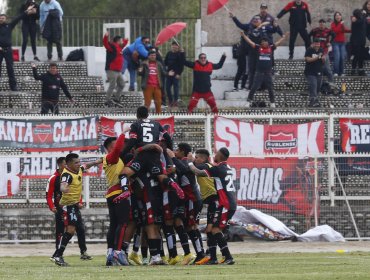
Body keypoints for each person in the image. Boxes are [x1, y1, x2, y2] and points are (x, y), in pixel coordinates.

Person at [116, 106, 184, 265]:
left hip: (143, 173)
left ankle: (125, 189)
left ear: (137, 115)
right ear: (148, 114)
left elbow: (132, 141)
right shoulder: (157, 124)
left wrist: (126, 152)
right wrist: (168, 151)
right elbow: (168, 139)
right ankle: (172, 183)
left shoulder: (136, 126)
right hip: (155, 177)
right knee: (160, 177)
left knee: (124, 174)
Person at [187, 148, 236, 265]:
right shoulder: (227, 168)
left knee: (215, 229)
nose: (215, 155)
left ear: (220, 156)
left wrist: (189, 162)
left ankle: (227, 256)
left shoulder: (218, 169)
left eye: (216, 154)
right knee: (213, 229)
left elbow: (198, 172)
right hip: (226, 202)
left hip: (225, 203)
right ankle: (214, 258)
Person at [46, 157, 92, 262]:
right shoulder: (54, 178)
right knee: (62, 231)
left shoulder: (74, 173)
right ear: (61, 165)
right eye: (64, 165)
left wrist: (79, 201)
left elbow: (76, 189)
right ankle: (57, 254)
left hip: (73, 205)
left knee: (80, 228)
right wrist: (52, 206)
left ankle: (82, 252)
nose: (65, 167)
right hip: (61, 208)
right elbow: (49, 195)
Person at [167, 144, 205, 264]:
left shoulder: (185, 162)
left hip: (192, 199)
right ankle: (200, 253)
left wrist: (173, 158)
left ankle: (200, 254)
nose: (175, 152)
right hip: (192, 199)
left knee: (191, 227)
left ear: (182, 152)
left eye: (177, 150)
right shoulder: (182, 162)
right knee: (191, 227)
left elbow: (184, 169)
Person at [230, 13, 277, 90]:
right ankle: (251, 87)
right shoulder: (249, 27)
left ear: (260, 21)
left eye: (257, 19)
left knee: (261, 71)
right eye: (254, 19)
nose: (255, 20)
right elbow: (239, 25)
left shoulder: (264, 27)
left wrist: (275, 25)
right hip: (251, 53)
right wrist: (234, 17)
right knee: (251, 71)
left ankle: (262, 87)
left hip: (261, 53)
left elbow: (273, 30)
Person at [241, 32, 288, 108]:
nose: (264, 43)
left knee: (270, 88)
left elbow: (278, 43)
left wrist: (284, 37)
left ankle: (272, 103)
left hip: (268, 73)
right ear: (261, 43)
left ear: (267, 42)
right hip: (259, 72)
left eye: (265, 41)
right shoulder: (258, 48)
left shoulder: (271, 48)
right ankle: (248, 101)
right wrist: (243, 36)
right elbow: (250, 42)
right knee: (254, 87)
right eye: (263, 42)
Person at [0, 8, 33, 91]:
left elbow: (18, 18)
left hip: (8, 49)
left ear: (5, 19)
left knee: (10, 68)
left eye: (3, 18)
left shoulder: (9, 25)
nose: (1, 19)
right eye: (0, 18)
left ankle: (13, 87)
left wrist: (26, 11)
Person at [103, 31, 128, 107]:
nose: (122, 42)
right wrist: (106, 36)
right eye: (121, 40)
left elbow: (123, 45)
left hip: (118, 70)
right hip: (111, 69)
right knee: (112, 85)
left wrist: (126, 41)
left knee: (122, 84)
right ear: (117, 41)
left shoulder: (120, 47)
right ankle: (107, 100)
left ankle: (116, 99)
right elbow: (105, 44)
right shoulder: (112, 46)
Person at [309, 19, 335, 84]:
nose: (321, 25)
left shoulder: (328, 30)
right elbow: (308, 36)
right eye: (320, 24)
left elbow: (334, 35)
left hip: (325, 52)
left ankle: (331, 84)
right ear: (319, 24)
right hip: (316, 53)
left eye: (323, 24)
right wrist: (310, 43)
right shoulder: (315, 30)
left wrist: (330, 42)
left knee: (327, 69)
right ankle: (317, 85)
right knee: (317, 69)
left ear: (325, 24)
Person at [304, 38, 325, 107]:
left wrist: (323, 59)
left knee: (318, 87)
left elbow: (323, 61)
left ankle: (313, 100)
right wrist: (317, 57)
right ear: (313, 43)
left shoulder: (321, 50)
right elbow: (307, 59)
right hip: (310, 72)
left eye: (318, 44)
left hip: (319, 72)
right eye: (316, 44)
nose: (317, 45)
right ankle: (314, 100)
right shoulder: (309, 50)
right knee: (313, 85)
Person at [164, 42, 184, 108]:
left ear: (178, 47)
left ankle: (175, 101)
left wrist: (179, 74)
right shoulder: (168, 53)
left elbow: (182, 64)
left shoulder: (180, 53)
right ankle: (170, 101)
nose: (174, 47)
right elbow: (165, 63)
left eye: (176, 46)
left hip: (176, 74)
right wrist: (167, 71)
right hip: (169, 73)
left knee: (176, 89)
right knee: (167, 88)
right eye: (173, 45)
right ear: (171, 46)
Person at [331, 12, 351, 76]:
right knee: (337, 57)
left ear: (341, 16)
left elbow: (344, 30)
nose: (338, 16)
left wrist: (353, 30)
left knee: (342, 57)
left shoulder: (341, 24)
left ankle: (341, 72)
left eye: (339, 15)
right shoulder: (333, 24)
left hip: (342, 43)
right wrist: (340, 23)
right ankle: (335, 72)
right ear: (334, 17)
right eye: (336, 15)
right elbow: (335, 31)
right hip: (335, 43)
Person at [350, 9, 367, 76]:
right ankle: (353, 70)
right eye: (360, 13)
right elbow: (361, 22)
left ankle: (360, 70)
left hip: (362, 41)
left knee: (361, 56)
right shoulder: (355, 20)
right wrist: (364, 14)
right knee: (356, 55)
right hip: (355, 41)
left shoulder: (362, 19)